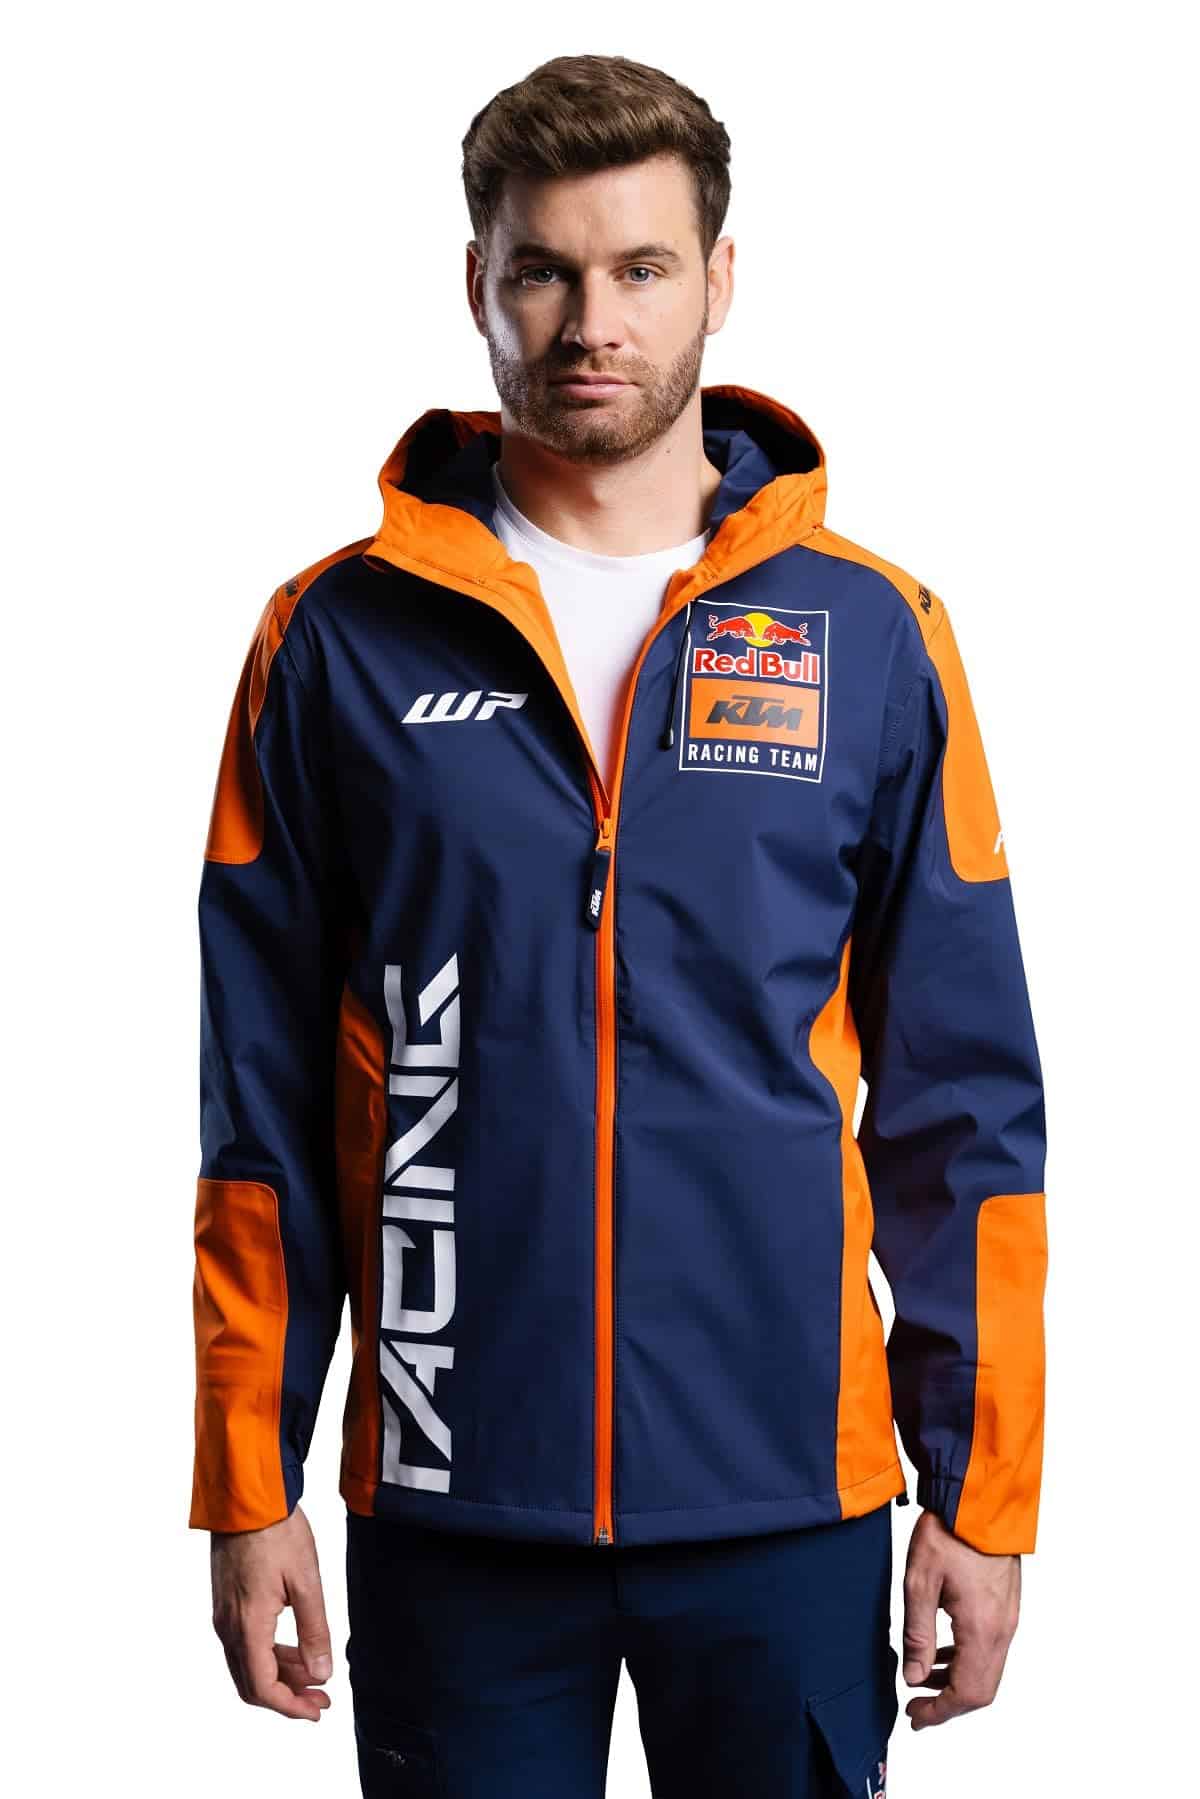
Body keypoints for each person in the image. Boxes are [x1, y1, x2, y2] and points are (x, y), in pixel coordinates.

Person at [189, 51, 1048, 1799]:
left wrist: (984, 1495)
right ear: (478, 281)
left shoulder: (875, 636)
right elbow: (256, 1109)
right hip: (455, 1497)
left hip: (788, 1497)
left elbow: (969, 1107)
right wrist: (247, 1483)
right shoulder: (332, 641)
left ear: (720, 279)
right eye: (546, 271)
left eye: (641, 268)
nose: (593, 323)